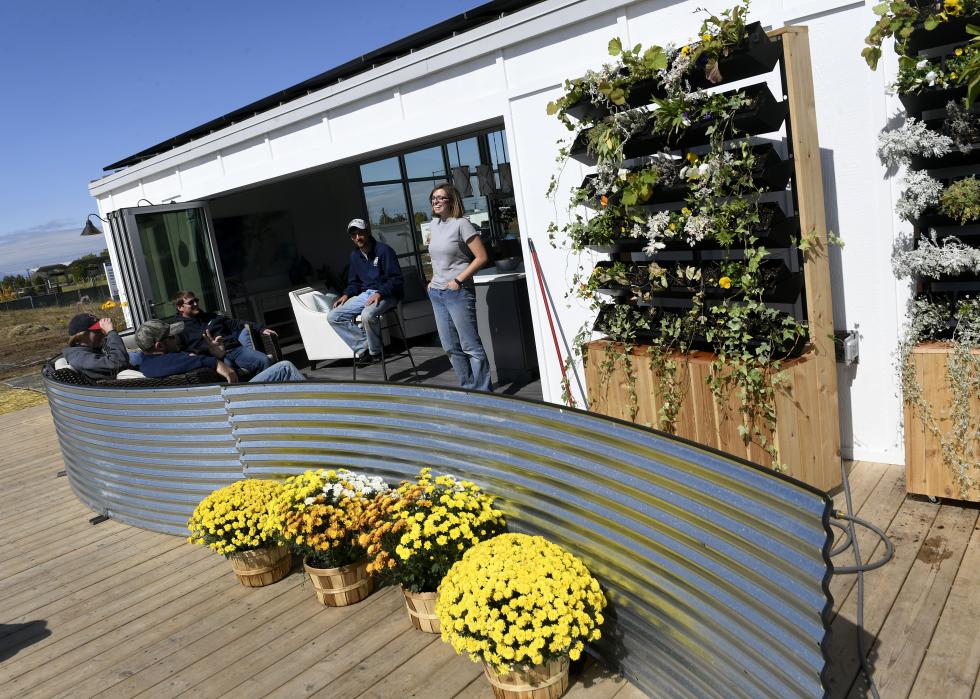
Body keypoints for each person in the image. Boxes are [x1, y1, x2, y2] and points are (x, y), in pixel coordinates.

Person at [426, 183, 492, 391]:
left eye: (441, 198)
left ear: (452, 201)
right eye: (433, 198)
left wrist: (458, 280)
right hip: (437, 293)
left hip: (458, 293)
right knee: (450, 347)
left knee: (470, 346)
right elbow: (437, 259)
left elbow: (481, 257)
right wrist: (432, 281)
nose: (436, 201)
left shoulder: (462, 224)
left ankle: (484, 394)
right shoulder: (434, 225)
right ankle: (468, 388)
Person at [327, 218, 404, 363]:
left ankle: (376, 352)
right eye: (354, 235)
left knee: (367, 315)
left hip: (388, 294)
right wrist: (346, 294)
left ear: (368, 232)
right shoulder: (354, 256)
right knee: (333, 317)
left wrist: (380, 293)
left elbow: (396, 279)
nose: (357, 237)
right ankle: (364, 347)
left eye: (360, 233)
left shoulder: (384, 251)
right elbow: (353, 282)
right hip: (366, 294)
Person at [135, 319, 305, 383]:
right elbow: (224, 370)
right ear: (159, 346)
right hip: (230, 402)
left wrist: (217, 355)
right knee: (285, 367)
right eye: (171, 337)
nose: (176, 338)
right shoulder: (176, 360)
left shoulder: (146, 365)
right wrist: (221, 363)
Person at [172, 291, 276, 376]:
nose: (195, 304)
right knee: (230, 373)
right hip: (213, 359)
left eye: (196, 300)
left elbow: (235, 323)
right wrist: (193, 354)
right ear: (180, 307)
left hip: (234, 349)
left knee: (264, 360)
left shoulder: (211, 316)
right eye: (191, 302)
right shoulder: (179, 329)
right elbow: (177, 351)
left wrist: (260, 328)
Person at [63, 312, 131, 381]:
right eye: (97, 331)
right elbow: (118, 364)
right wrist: (111, 332)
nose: (101, 333)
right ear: (81, 337)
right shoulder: (80, 359)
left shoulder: (89, 350)